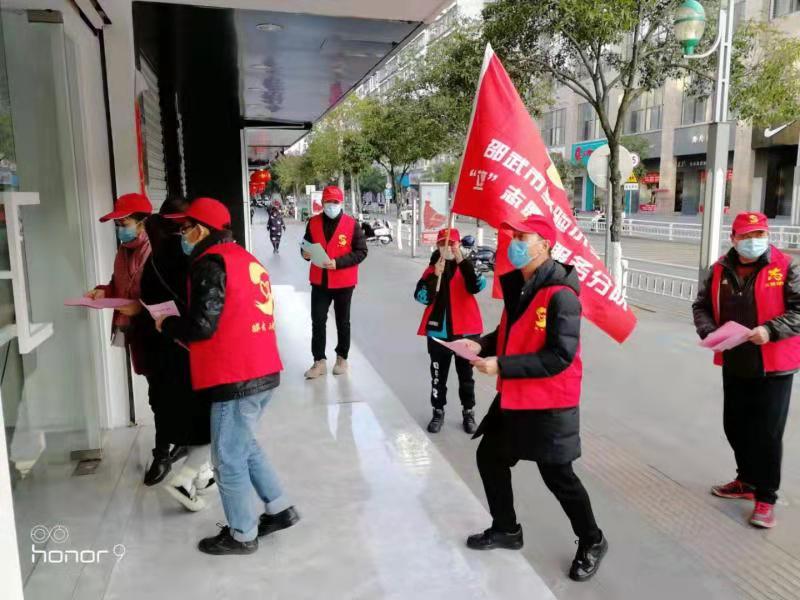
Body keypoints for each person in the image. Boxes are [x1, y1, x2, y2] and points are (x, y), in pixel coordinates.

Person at [463, 215, 607, 582]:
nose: (513, 242)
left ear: (544, 245)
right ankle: (506, 529)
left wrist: (502, 365)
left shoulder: (561, 294)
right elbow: (509, 332)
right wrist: (481, 344)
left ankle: (592, 539)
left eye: (521, 237)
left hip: (549, 400)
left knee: (558, 476)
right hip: (515, 395)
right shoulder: (521, 284)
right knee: (490, 456)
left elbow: (560, 355)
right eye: (513, 235)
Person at [156, 197, 299, 555]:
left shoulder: (210, 264)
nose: (182, 236)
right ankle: (280, 510)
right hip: (263, 369)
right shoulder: (244, 259)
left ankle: (242, 534)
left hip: (235, 377)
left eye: (185, 228)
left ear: (201, 229)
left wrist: (168, 324)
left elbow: (202, 326)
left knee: (227, 458)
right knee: (244, 445)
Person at [693, 211, 800, 529]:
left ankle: (766, 497)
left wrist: (770, 330)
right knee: (735, 426)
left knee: (767, 434)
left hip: (774, 365)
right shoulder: (719, 269)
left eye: (760, 234)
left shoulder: (786, 267)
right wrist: (709, 331)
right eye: (747, 236)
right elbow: (701, 306)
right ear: (734, 238)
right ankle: (747, 480)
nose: (754, 241)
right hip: (735, 359)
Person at [140, 197, 213, 509]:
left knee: (174, 407)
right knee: (203, 412)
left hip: (164, 342)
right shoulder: (196, 258)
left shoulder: (156, 256)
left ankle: (199, 472)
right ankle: (190, 475)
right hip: (191, 345)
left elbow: (145, 295)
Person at [414, 228, 486, 434]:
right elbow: (421, 297)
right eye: (442, 243)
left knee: (466, 376)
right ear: (437, 246)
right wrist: (433, 276)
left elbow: (476, 286)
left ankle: (468, 412)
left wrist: (462, 260)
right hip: (439, 334)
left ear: (458, 245)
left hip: (466, 333)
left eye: (452, 243)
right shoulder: (431, 269)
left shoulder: (467, 267)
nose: (448, 247)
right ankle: (438, 411)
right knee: (438, 376)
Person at [301, 185, 367, 379]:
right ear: (322, 203)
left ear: (341, 203)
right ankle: (319, 361)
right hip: (319, 281)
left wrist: (338, 263)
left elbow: (361, 251)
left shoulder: (351, 224)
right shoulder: (313, 222)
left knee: (342, 321)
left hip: (343, 281)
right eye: (328, 202)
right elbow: (305, 246)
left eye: (335, 202)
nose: (331, 205)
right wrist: (305, 253)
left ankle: (342, 358)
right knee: (318, 320)